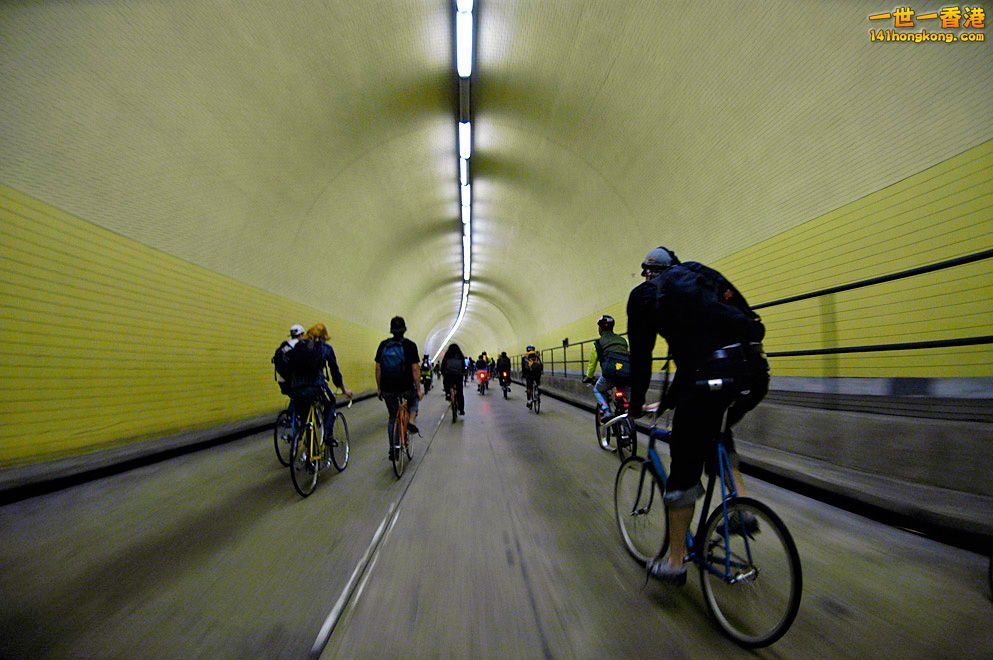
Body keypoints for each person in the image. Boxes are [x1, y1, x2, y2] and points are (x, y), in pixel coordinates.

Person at [627, 246, 768, 586]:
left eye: (646, 272)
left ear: (650, 272)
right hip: (753, 370)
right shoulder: (702, 276)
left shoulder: (646, 295)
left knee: (684, 463)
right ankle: (741, 505)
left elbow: (643, 358)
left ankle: (675, 562)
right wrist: (666, 404)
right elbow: (693, 360)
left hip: (709, 375)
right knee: (715, 427)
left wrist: (635, 406)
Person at [287, 324, 354, 462]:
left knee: (306, 419)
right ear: (324, 337)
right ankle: (328, 436)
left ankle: (309, 450)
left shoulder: (299, 347)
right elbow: (335, 373)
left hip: (297, 390)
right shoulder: (325, 348)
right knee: (330, 403)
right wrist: (343, 390)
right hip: (316, 387)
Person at [375, 316, 422, 460]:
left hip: (388, 387)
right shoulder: (410, 346)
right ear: (404, 330)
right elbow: (415, 369)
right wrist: (419, 389)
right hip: (406, 387)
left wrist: (379, 388)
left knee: (392, 417)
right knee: (414, 400)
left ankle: (392, 450)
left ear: (391, 330)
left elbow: (378, 368)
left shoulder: (383, 345)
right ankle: (411, 422)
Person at [581, 315, 630, 421]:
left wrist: (588, 377)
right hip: (626, 374)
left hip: (609, 375)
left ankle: (606, 410)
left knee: (598, 390)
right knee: (627, 395)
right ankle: (630, 408)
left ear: (600, 329)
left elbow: (592, 364)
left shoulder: (597, 344)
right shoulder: (623, 341)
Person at [272, 324, 305, 397]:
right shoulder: (300, 345)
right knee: (302, 402)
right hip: (295, 382)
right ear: (300, 334)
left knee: (295, 399)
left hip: (283, 381)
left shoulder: (285, 345)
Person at [441, 343, 467, 415]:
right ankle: (461, 409)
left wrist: (443, 372)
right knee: (460, 392)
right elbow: (463, 366)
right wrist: (463, 373)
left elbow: (443, 365)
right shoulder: (460, 355)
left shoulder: (447, 355)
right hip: (458, 376)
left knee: (446, 383)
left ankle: (448, 394)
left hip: (449, 375)